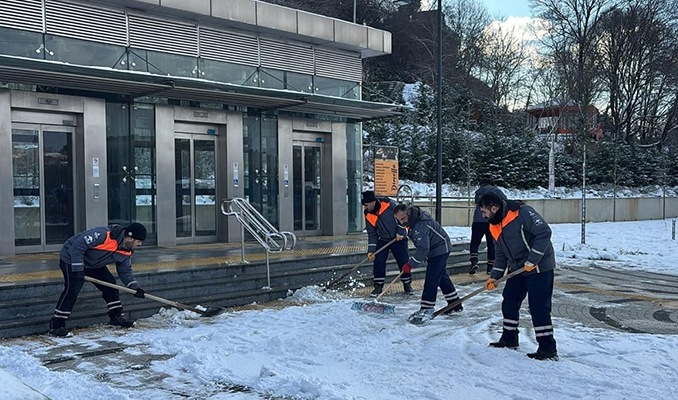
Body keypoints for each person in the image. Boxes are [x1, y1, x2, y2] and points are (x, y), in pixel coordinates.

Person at [478, 192, 558, 360]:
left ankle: (547, 348)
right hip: (518, 268)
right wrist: (495, 277)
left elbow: (544, 232)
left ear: (494, 207)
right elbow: (500, 253)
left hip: (539, 267)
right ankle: (509, 337)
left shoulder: (522, 213)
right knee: (509, 300)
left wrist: (533, 259)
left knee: (538, 306)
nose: (483, 216)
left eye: (484, 212)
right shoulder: (494, 225)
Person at [48, 223, 148, 337]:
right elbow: (78, 245)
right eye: (139, 241)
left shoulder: (126, 250)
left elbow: (125, 271)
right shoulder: (104, 235)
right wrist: (77, 268)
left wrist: (135, 287)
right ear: (130, 238)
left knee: (110, 284)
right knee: (72, 289)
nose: (140, 244)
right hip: (71, 258)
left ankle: (116, 317)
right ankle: (56, 326)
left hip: (94, 265)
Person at [393, 204, 463, 324]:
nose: (402, 222)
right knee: (441, 276)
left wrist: (410, 264)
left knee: (432, 278)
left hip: (440, 248)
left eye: (403, 219)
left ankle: (427, 307)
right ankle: (455, 304)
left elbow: (423, 248)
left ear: (408, 213)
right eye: (399, 220)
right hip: (434, 250)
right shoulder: (412, 221)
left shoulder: (420, 224)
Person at [362, 190, 412, 296]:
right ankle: (378, 286)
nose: (365, 208)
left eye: (366, 205)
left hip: (398, 238)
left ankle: (407, 284)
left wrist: (400, 232)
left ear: (372, 202)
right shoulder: (368, 214)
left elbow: (403, 217)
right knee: (379, 260)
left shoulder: (389, 204)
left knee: (403, 261)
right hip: (383, 238)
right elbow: (372, 234)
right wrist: (371, 250)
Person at [469, 177, 507, 275]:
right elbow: (504, 201)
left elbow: (477, 202)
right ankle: (490, 267)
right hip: (491, 220)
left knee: (475, 241)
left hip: (478, 220)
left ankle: (474, 261)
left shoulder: (478, 192)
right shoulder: (497, 191)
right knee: (491, 243)